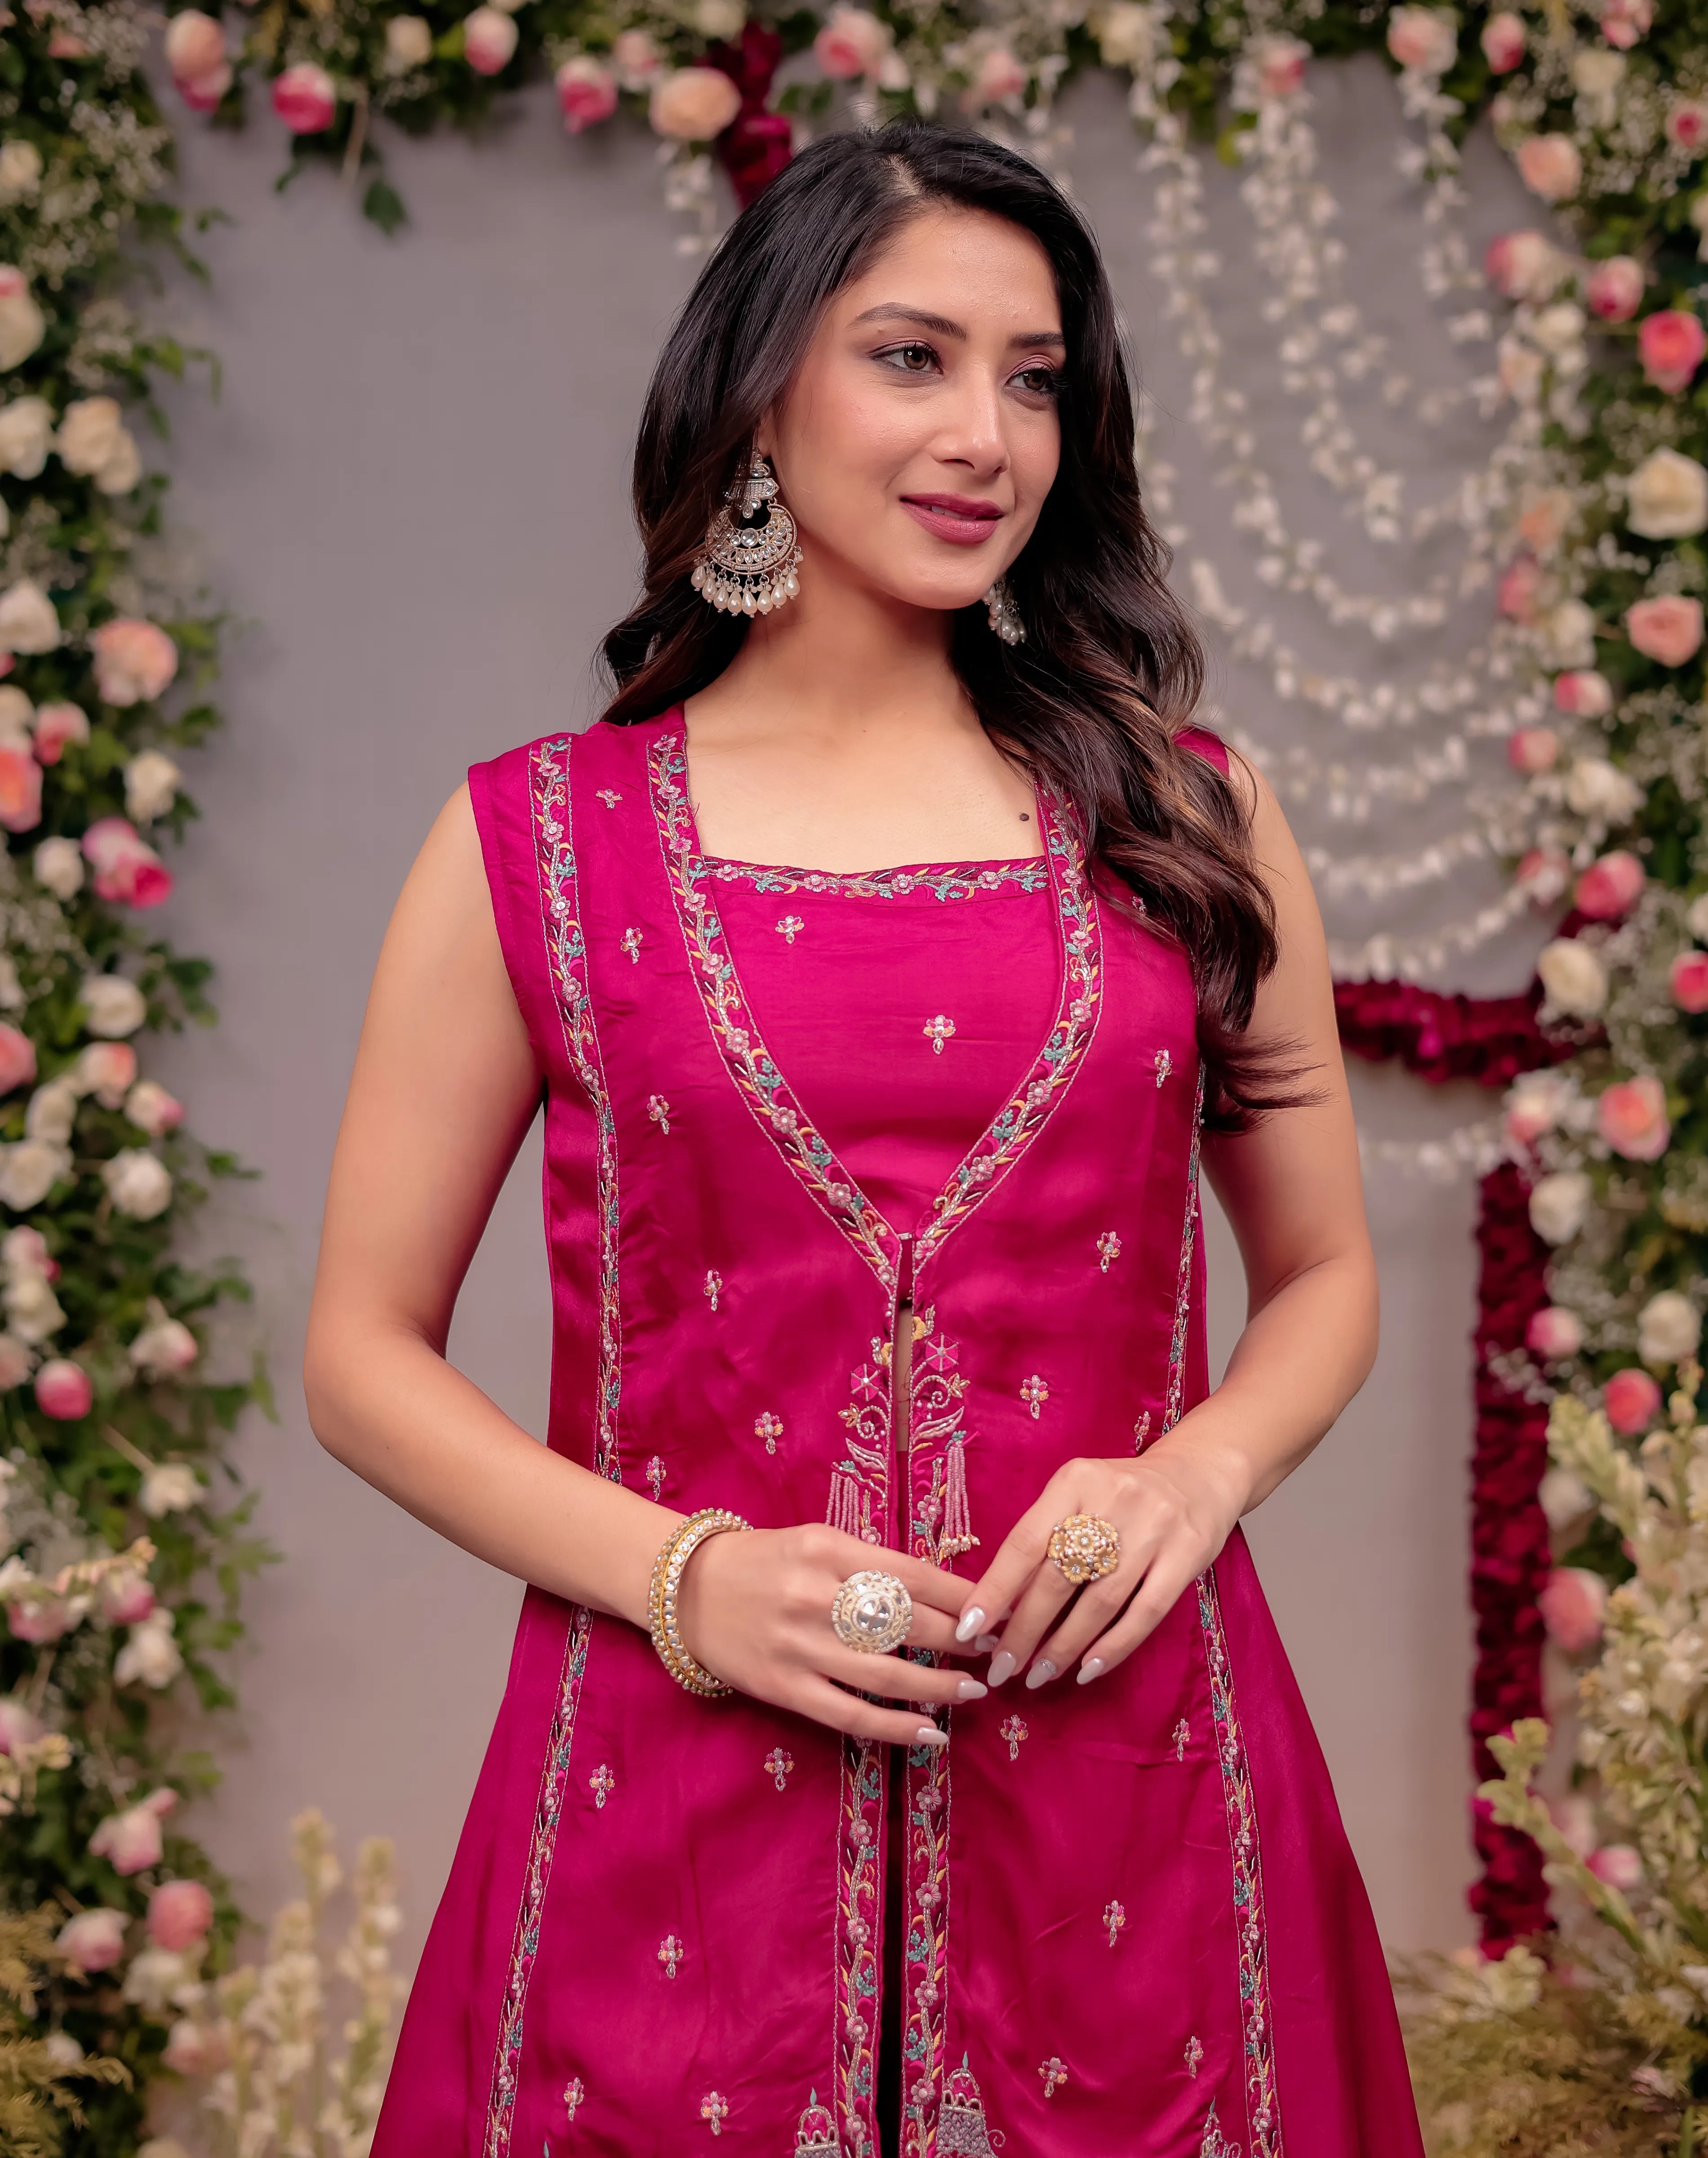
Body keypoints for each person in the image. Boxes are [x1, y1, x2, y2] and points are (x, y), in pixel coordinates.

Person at [304, 116, 1424, 2158]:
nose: (983, 433)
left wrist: (1196, 1471)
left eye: (1031, 378)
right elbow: (360, 1361)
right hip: (663, 1805)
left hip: (1132, 1782)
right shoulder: (534, 845)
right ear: (759, 391)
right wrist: (685, 1577)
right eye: (910, 356)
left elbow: (1328, 1274)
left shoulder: (1188, 819)